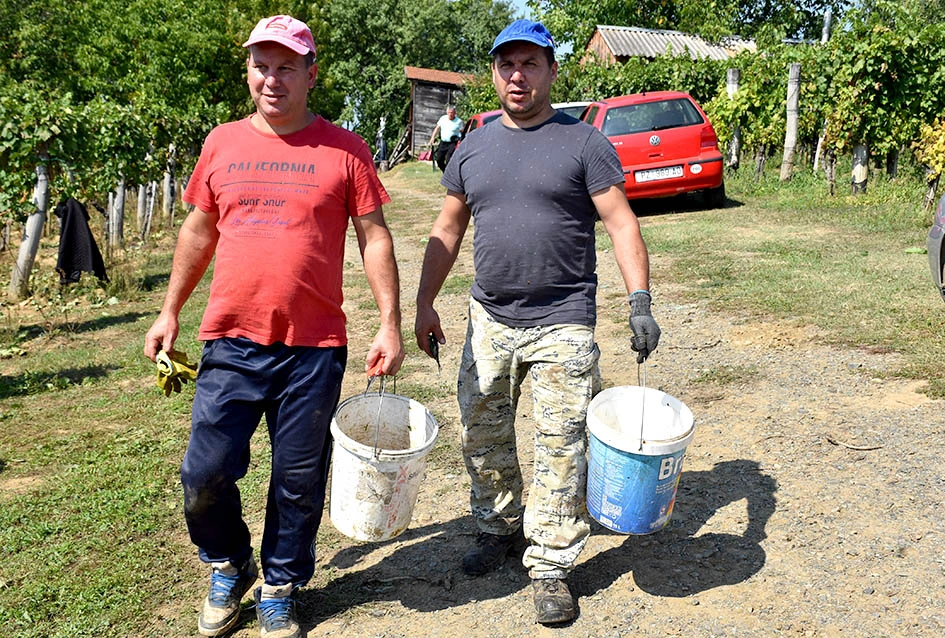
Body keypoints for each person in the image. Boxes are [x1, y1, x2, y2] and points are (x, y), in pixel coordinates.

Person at [143, 14, 405, 638]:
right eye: (262, 64)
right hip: (231, 339)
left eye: (286, 66)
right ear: (248, 72)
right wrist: (169, 309)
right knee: (203, 473)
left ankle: (281, 584)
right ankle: (230, 563)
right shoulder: (222, 142)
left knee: (296, 477)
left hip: (314, 348)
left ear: (311, 74)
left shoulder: (346, 150)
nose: (272, 77)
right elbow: (199, 230)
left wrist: (390, 323)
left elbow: (374, 239)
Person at [413, 19, 660, 626]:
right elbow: (447, 231)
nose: (517, 76)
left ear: (552, 70)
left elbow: (621, 223)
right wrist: (422, 303)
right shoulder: (472, 146)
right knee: (480, 432)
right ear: (494, 74)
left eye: (529, 64)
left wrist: (640, 301)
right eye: (506, 65)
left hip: (564, 320)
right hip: (489, 318)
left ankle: (550, 563)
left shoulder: (583, 143)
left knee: (561, 443)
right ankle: (498, 528)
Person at [428, 105, 464, 171]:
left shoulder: (459, 121)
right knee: (439, 159)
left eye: (452, 113)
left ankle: (449, 175)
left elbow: (462, 132)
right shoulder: (443, 119)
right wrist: (433, 137)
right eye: (449, 112)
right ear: (447, 113)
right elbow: (437, 128)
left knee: (448, 159)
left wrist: (462, 140)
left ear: (455, 113)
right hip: (443, 142)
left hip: (452, 143)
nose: (450, 114)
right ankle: (445, 172)